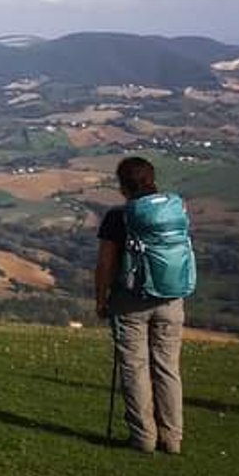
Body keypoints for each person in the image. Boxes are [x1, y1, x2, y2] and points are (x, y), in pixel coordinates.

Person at [94, 155, 186, 454]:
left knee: (134, 367)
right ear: (152, 179)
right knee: (168, 368)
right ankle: (172, 439)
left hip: (130, 300)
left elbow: (106, 263)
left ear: (123, 186)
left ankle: (143, 438)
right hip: (171, 298)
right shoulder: (174, 210)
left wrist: (101, 299)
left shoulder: (118, 217)